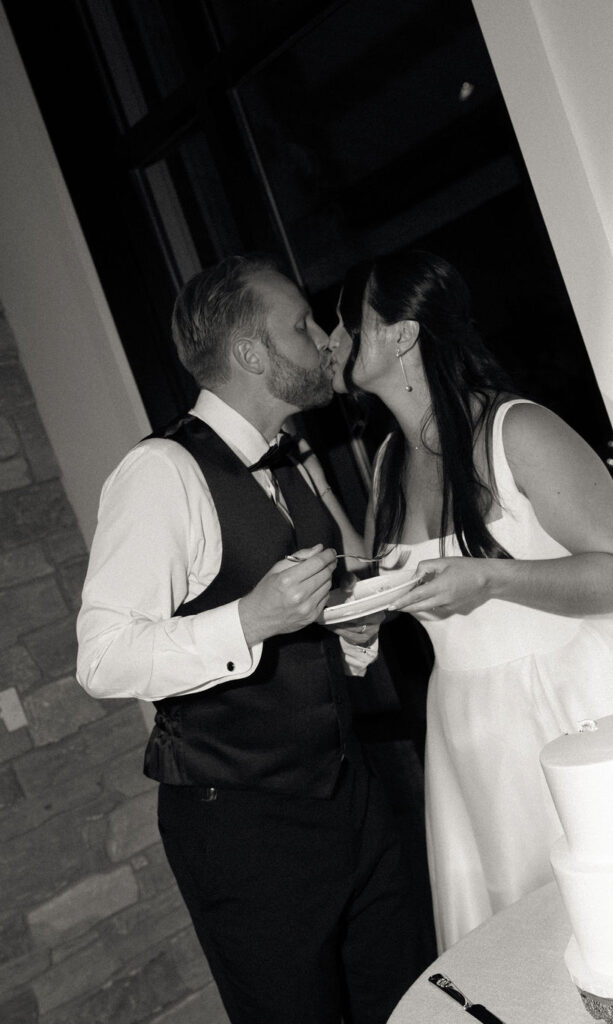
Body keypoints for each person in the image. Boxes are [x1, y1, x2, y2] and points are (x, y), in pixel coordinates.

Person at [327, 248, 613, 952]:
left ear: (400, 334)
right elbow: (403, 586)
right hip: (469, 725)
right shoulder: (386, 464)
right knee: (528, 944)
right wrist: (365, 615)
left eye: (346, 321)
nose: (334, 340)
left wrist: (492, 577)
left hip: (576, 702)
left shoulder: (516, 430)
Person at [76, 253, 430, 1023]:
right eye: (300, 326)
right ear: (250, 354)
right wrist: (251, 619)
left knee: (407, 1002)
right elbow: (103, 658)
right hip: (244, 825)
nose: (322, 340)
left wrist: (350, 633)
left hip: (351, 793)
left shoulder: (288, 463)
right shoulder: (161, 472)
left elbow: (293, 632)